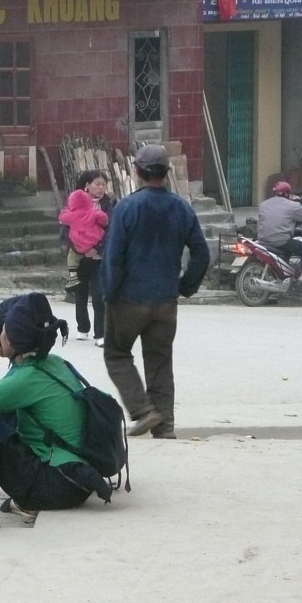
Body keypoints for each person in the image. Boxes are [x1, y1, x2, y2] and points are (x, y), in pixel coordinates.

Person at [0, 294, 114, 528]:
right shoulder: (53, 362)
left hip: (58, 485)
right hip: (77, 477)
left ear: (10, 340)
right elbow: (1, 399)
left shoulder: (25, 379)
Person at [100, 144, 210, 439]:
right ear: (167, 172)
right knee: (160, 362)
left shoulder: (126, 208)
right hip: (165, 301)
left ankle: (142, 410)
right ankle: (165, 427)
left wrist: (108, 292)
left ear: (137, 171)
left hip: (129, 300)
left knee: (116, 354)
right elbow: (201, 253)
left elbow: (114, 257)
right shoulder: (182, 208)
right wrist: (185, 286)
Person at [60, 170, 113, 345]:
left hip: (99, 258)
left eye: (103, 184)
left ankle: (100, 334)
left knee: (99, 296)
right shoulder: (74, 202)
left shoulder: (108, 205)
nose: (101, 187)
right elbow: (68, 229)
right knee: (80, 294)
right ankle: (83, 327)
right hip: (80, 256)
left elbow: (110, 229)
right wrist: (78, 248)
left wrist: (97, 248)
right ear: (87, 185)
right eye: (97, 183)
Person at [258, 181, 302, 287]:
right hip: (279, 240)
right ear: (287, 193)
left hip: (262, 239)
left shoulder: (263, 204)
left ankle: (283, 275)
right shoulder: (292, 205)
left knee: (288, 248)